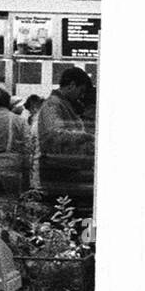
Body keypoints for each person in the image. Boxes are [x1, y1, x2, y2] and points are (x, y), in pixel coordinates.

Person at [35, 66, 95, 212]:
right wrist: (85, 136)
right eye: (80, 91)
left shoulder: (64, 105)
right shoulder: (53, 104)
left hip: (65, 173)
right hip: (59, 174)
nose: (81, 96)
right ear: (72, 85)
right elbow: (54, 135)